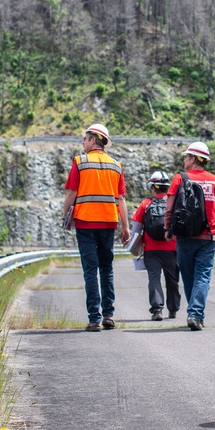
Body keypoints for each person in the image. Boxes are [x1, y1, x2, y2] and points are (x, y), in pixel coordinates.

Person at [61, 123, 131, 332]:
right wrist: (125, 227)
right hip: (108, 222)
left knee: (90, 270)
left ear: (93, 140)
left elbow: (71, 194)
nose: (82, 142)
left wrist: (65, 217)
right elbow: (121, 200)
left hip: (85, 222)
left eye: (85, 138)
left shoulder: (79, 162)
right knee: (107, 268)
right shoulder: (116, 165)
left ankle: (94, 318)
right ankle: (108, 314)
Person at [163, 141, 215, 331]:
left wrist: (168, 229)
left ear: (193, 158)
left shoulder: (180, 179)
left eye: (186, 156)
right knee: (203, 276)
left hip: (184, 236)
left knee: (189, 276)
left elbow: (170, 207)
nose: (184, 159)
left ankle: (194, 312)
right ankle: (195, 314)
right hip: (208, 237)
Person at [129, 171, 181, 320]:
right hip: (172, 248)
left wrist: (134, 248)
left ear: (153, 187)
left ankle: (157, 310)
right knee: (173, 280)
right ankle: (173, 309)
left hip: (151, 250)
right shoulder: (174, 202)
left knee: (154, 279)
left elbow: (136, 229)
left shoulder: (146, 204)